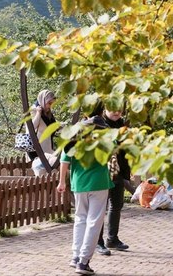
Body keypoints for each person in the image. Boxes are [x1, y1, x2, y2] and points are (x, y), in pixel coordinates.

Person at [57, 116, 113, 275]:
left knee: (80, 219)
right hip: (99, 184)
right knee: (94, 222)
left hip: (79, 184)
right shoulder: (104, 142)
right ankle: (83, 261)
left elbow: (64, 161)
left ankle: (75, 256)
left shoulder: (73, 141)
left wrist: (61, 182)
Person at [95, 108, 133, 256]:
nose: (117, 112)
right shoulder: (100, 124)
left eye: (119, 110)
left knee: (116, 205)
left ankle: (112, 238)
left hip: (119, 172)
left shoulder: (122, 125)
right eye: (113, 109)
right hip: (104, 172)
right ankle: (98, 242)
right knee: (100, 208)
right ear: (105, 109)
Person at [29, 89, 60, 176]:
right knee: (42, 174)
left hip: (47, 147)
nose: (50, 106)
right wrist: (38, 113)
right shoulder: (34, 110)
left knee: (50, 173)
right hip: (37, 149)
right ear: (43, 100)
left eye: (52, 104)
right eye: (49, 103)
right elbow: (31, 127)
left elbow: (52, 125)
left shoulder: (48, 113)